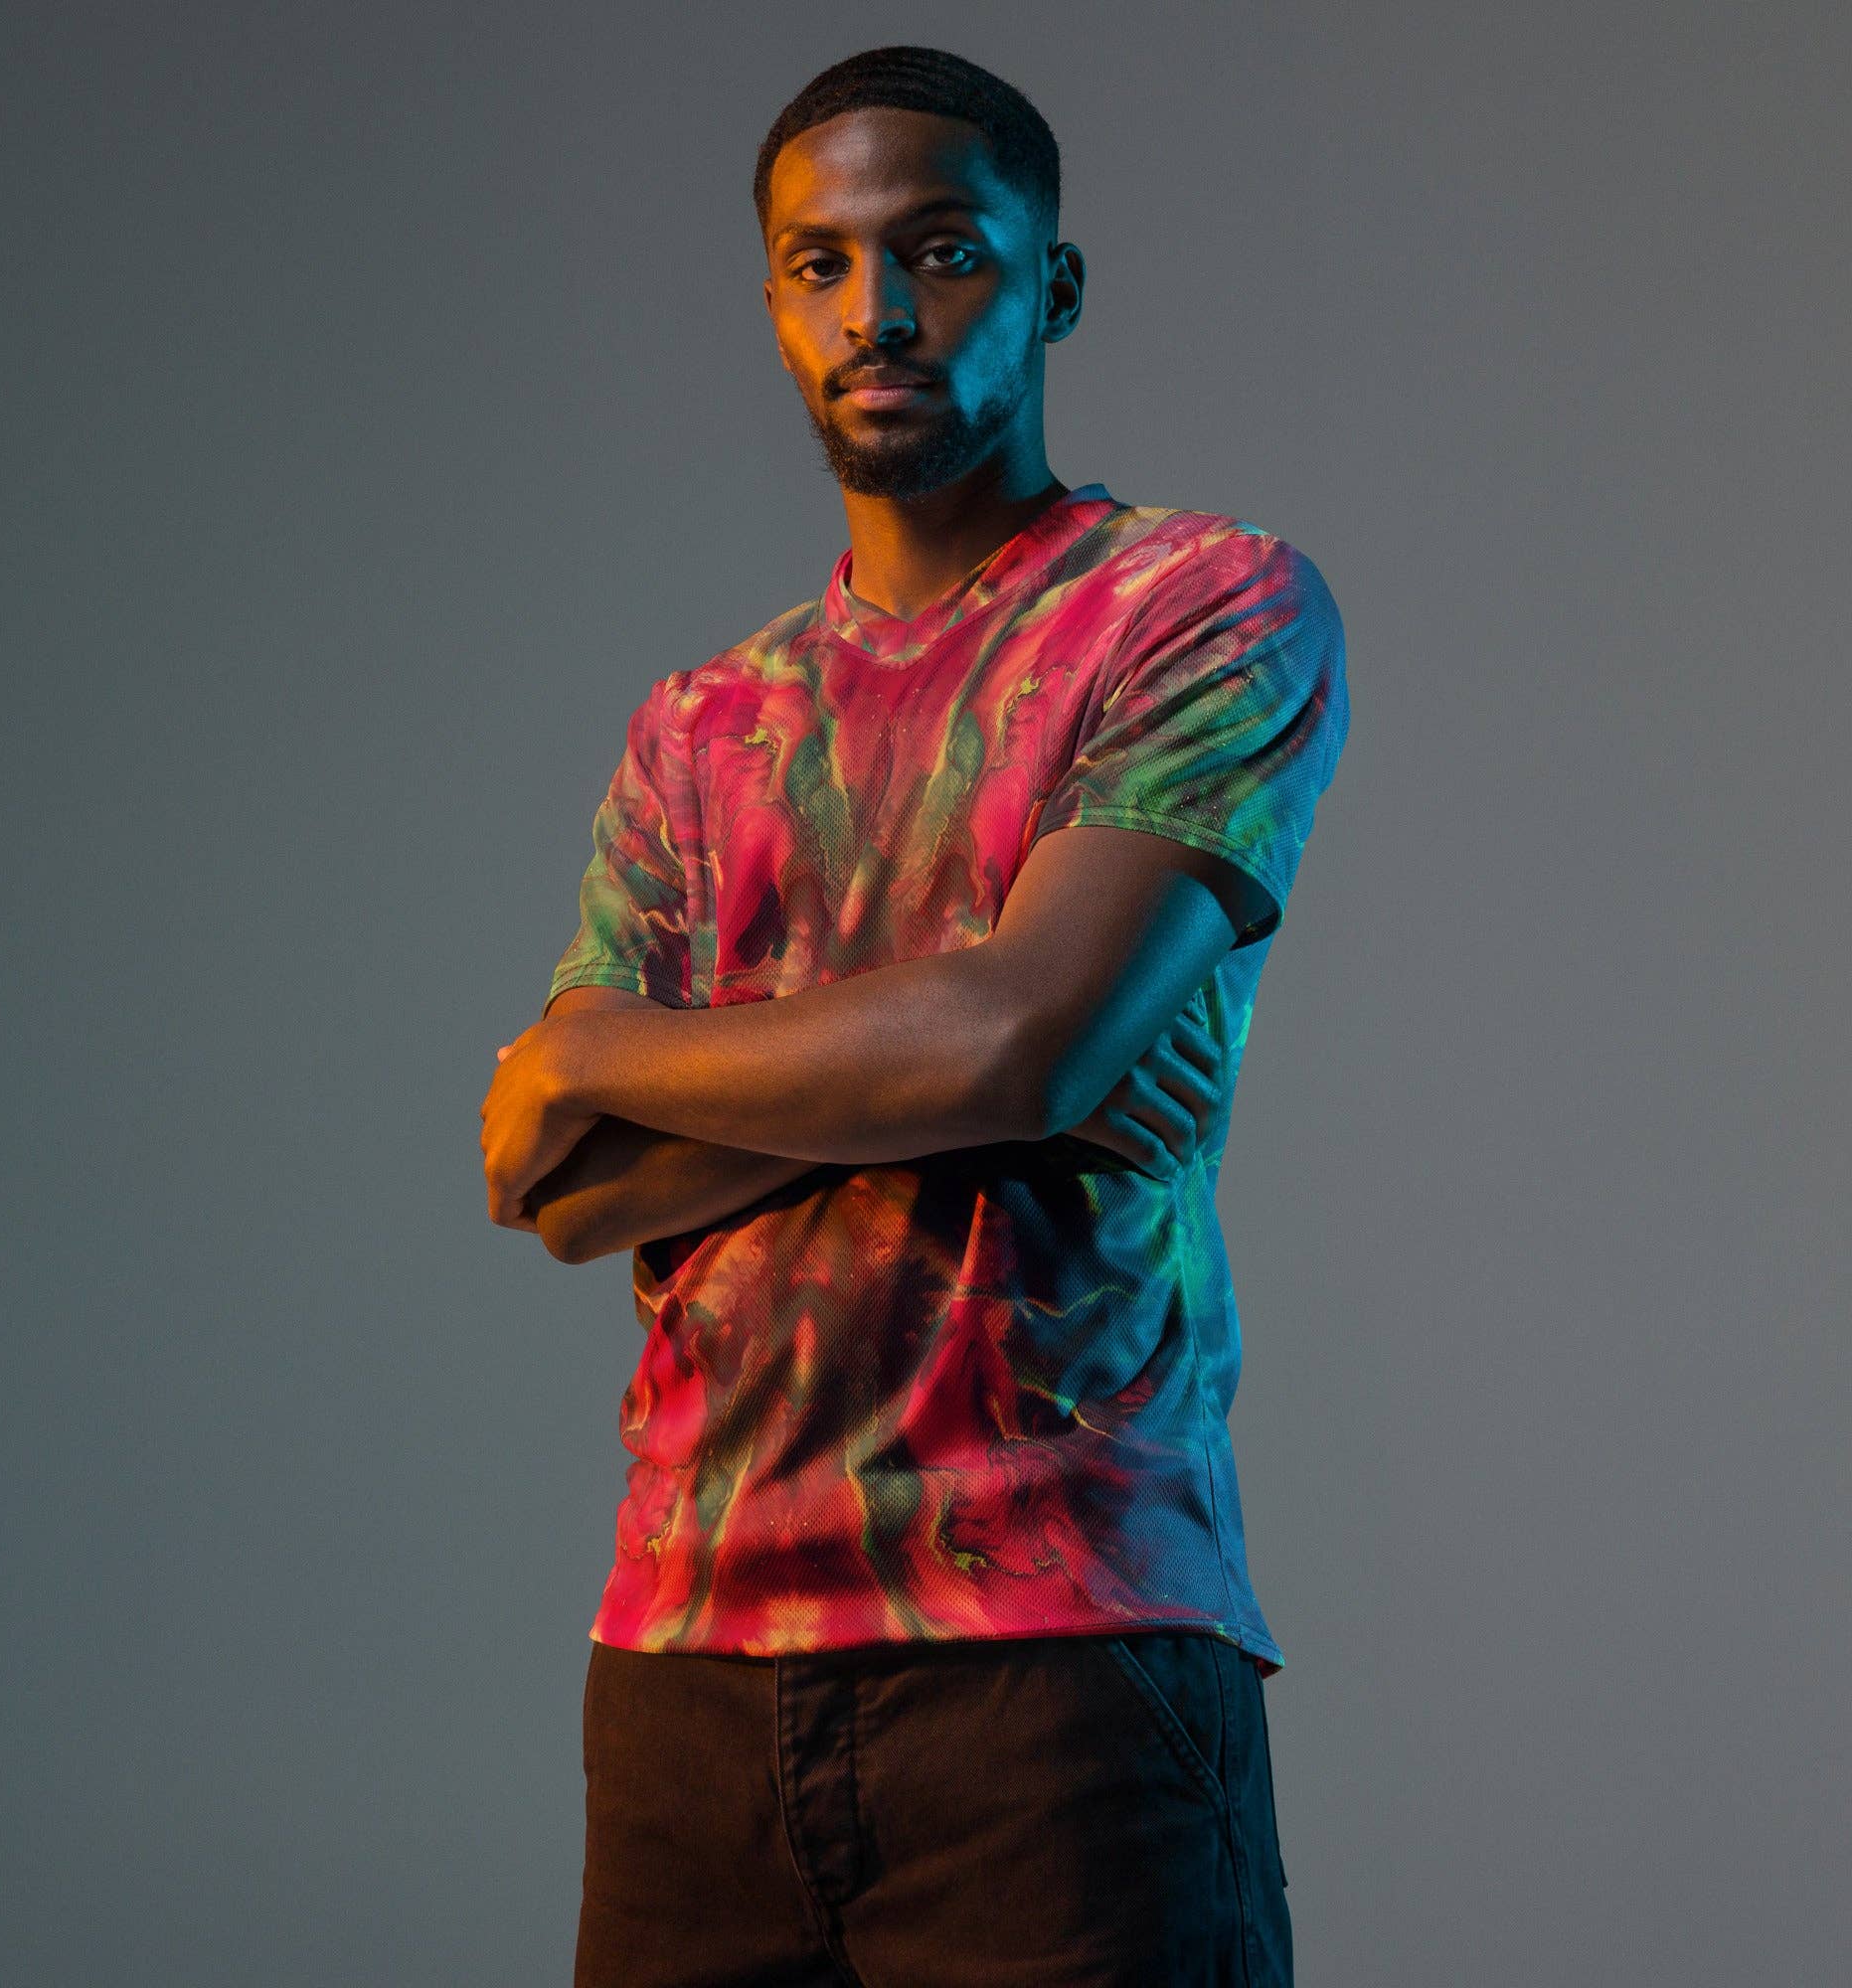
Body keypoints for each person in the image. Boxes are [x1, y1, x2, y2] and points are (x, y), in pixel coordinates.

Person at [478, 43, 1348, 1988]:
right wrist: (948, 1058)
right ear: (775, 299)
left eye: (943, 252)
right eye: (822, 263)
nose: (877, 309)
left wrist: (596, 1046)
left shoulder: (1198, 606)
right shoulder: (702, 725)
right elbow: (569, 1191)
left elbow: (1021, 1040)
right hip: (683, 1667)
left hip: (1058, 1655)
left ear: (1052, 286)